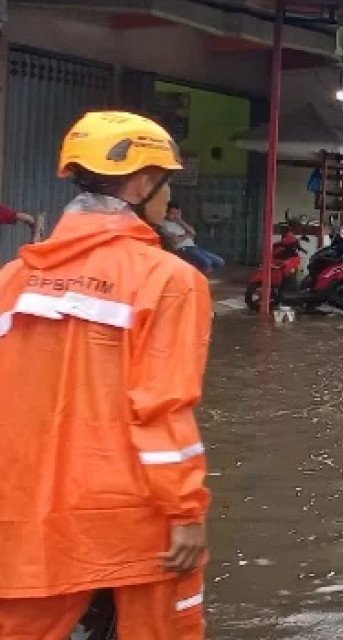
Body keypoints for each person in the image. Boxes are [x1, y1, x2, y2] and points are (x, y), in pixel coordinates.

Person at [0, 111, 213, 638]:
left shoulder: (13, 279)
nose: (168, 197)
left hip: (24, 520)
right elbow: (163, 409)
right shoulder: (170, 280)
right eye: (166, 183)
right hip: (131, 521)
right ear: (142, 184)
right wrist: (186, 512)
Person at [162, 202, 225, 275]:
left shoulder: (180, 222)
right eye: (173, 213)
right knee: (206, 263)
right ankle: (199, 279)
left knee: (220, 262)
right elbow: (176, 240)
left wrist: (180, 221)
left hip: (194, 247)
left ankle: (198, 275)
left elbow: (193, 233)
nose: (176, 216)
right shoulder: (164, 225)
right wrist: (187, 235)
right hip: (182, 249)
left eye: (178, 213)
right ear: (167, 213)